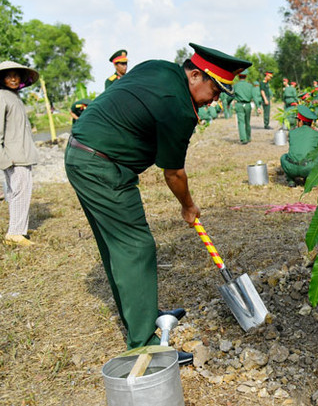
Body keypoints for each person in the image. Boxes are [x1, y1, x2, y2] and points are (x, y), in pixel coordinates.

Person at [65, 43, 251, 363]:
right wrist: (188, 206)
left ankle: (144, 314)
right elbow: (174, 173)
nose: (216, 99)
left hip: (80, 153)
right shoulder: (179, 108)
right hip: (104, 166)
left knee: (117, 246)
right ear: (194, 75)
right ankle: (144, 346)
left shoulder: (159, 67)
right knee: (135, 247)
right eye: (216, 89)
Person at [0, 61, 40, 246]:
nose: (14, 79)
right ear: (1, 79)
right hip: (14, 156)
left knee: (21, 192)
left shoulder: (13, 96)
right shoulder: (0, 97)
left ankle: (19, 229)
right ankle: (15, 233)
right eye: (9, 76)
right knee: (19, 193)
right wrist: (2, 158)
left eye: (16, 75)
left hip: (22, 153)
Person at [280, 105, 318, 187]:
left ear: (301, 122)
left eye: (298, 120)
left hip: (291, 168)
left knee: (283, 157)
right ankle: (309, 178)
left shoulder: (292, 133)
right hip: (308, 168)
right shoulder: (317, 134)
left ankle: (291, 180)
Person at [233, 69, 253, 144]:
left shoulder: (236, 85)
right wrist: (258, 106)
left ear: (238, 76)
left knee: (241, 122)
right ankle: (248, 137)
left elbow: (231, 95)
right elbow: (253, 95)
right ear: (246, 76)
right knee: (247, 122)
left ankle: (243, 139)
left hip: (239, 104)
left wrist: (228, 103)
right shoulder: (250, 86)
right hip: (248, 104)